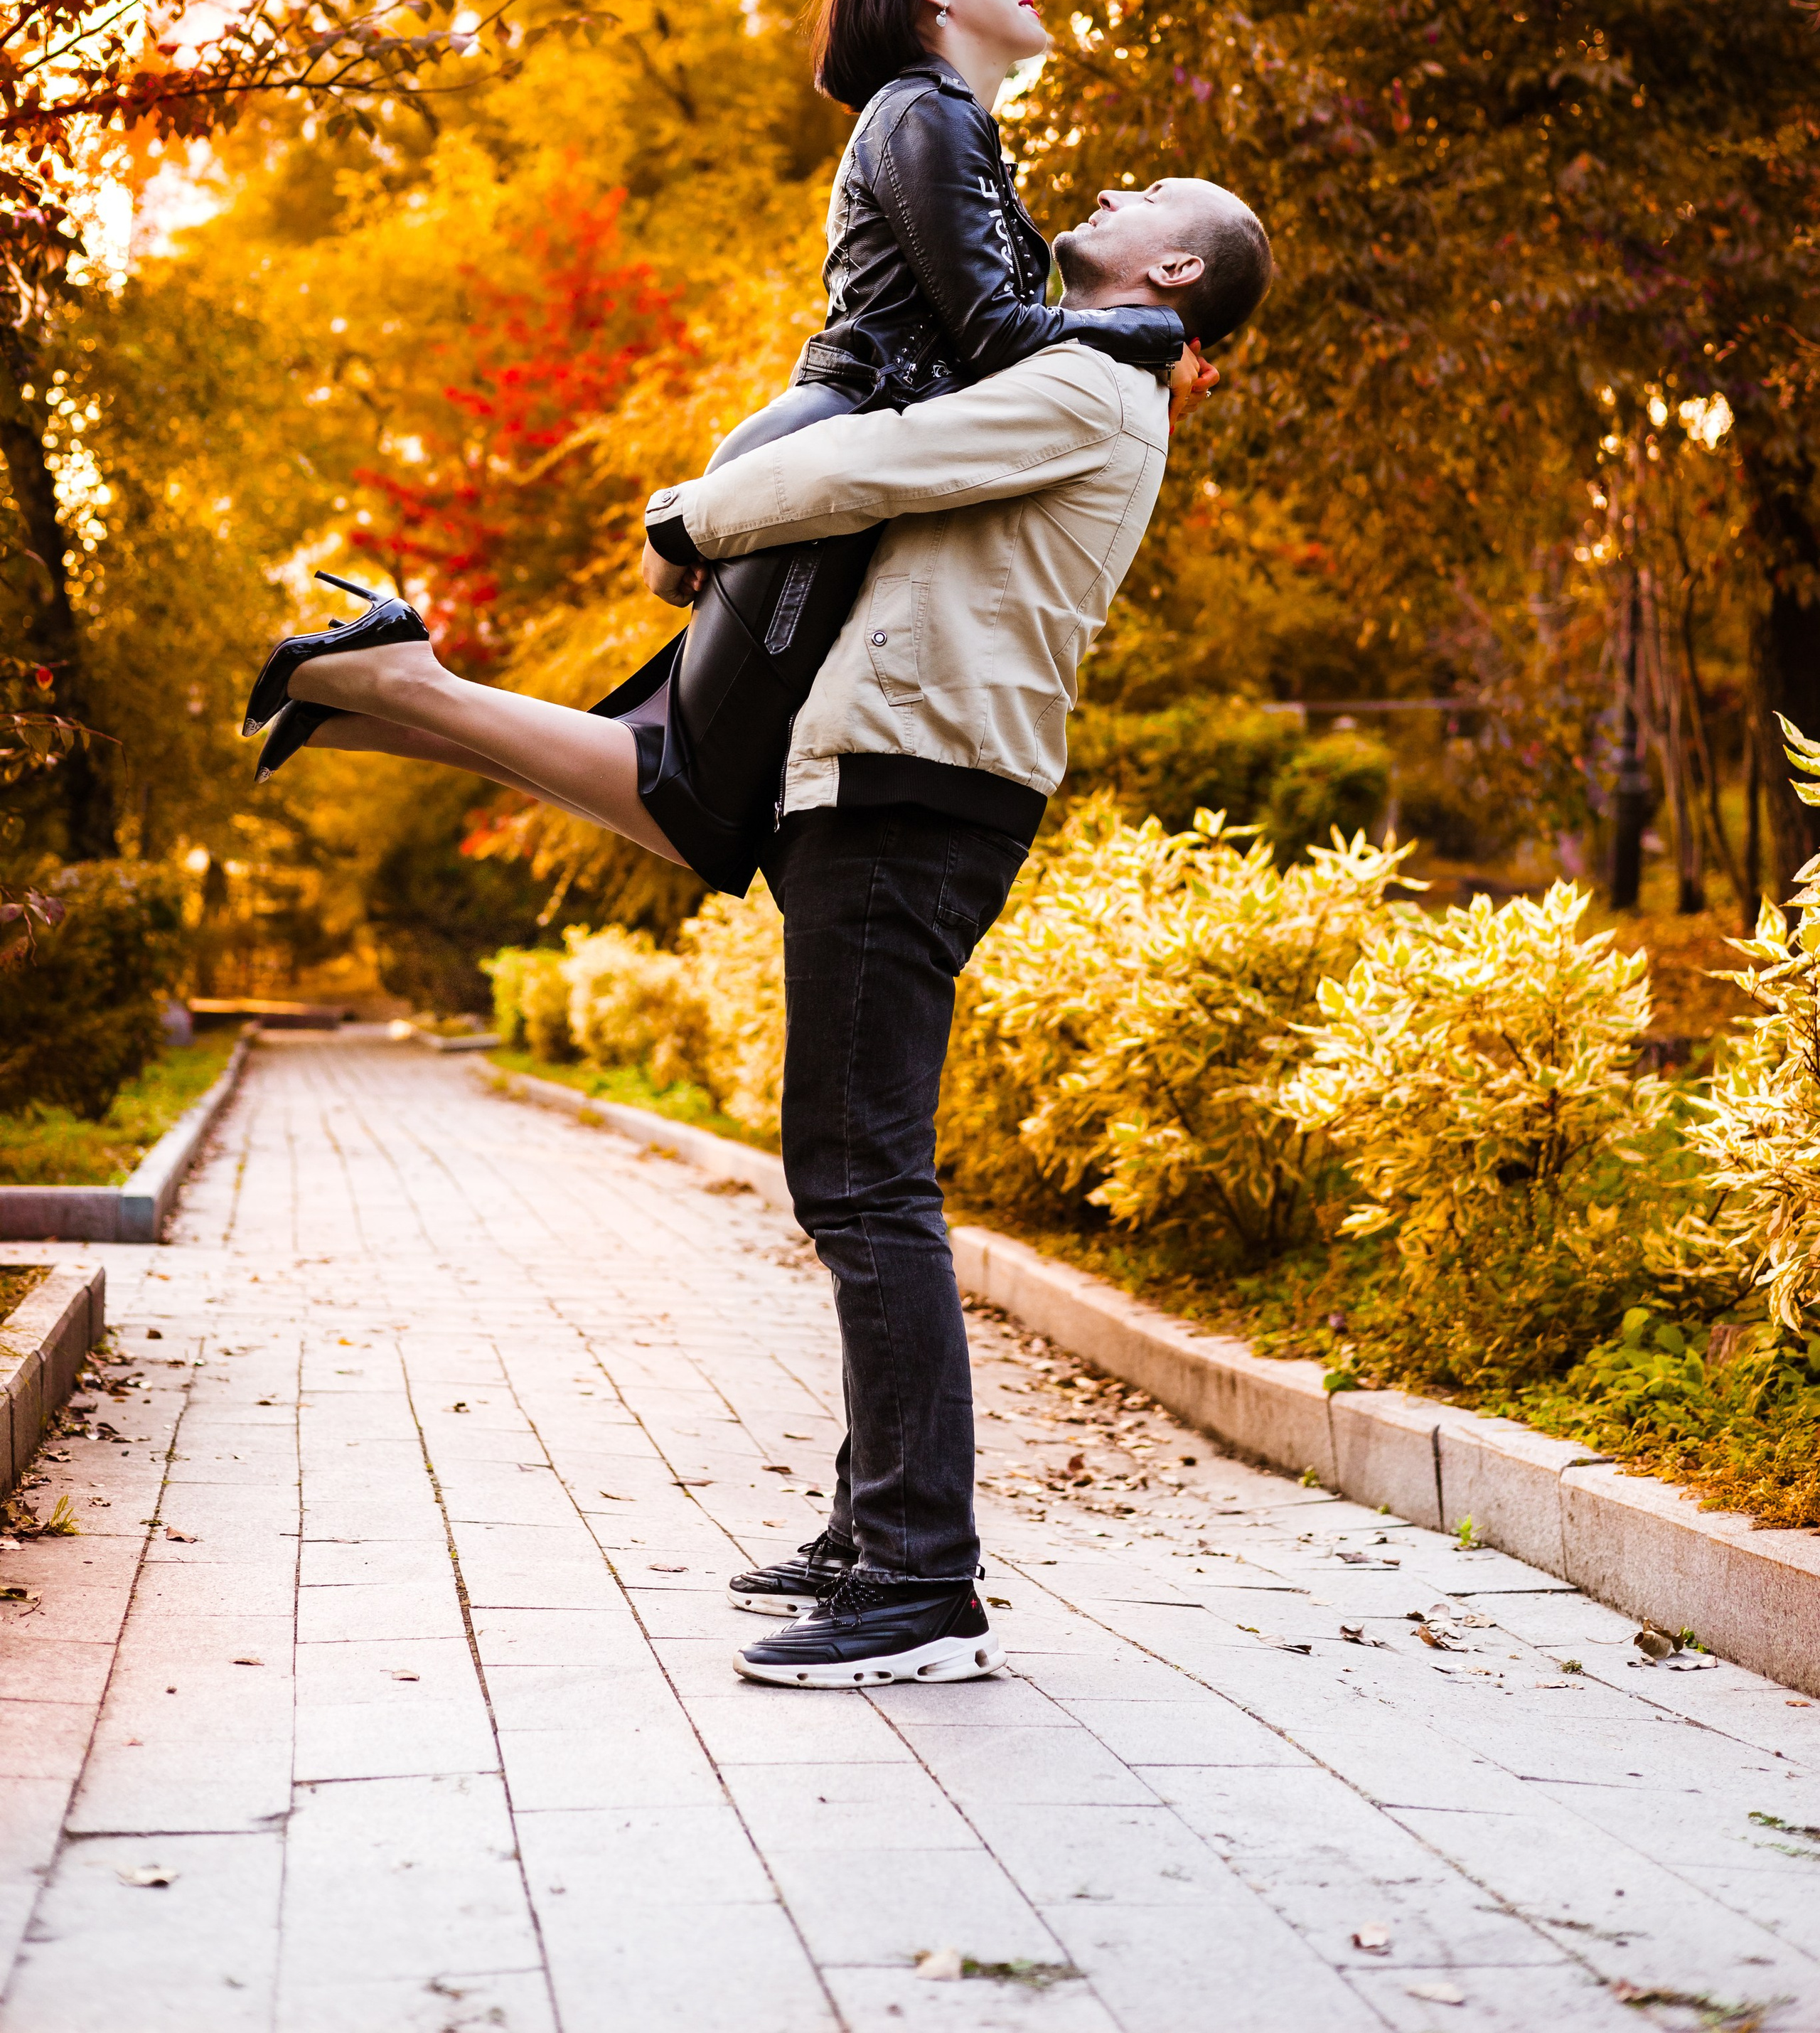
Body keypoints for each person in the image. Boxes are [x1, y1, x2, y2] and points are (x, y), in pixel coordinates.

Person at [246, 176, 1273, 1688]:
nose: (1108, 190)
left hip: (915, 793)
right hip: (891, 774)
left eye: (1146, 197)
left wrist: (684, 523)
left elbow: (877, 464)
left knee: (862, 1184)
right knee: (860, 1169)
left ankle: (921, 1580)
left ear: (1174, 264)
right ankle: (875, 1529)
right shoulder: (1081, 371)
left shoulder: (1095, 379)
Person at [249, 0, 1185, 895]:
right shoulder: (926, 110)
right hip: (829, 452)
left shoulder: (958, 129)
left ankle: (366, 706)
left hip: (835, 460)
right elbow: (998, 335)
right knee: (687, 790)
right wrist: (1150, 332)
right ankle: (398, 679)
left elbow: (1006, 346)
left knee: (704, 794)